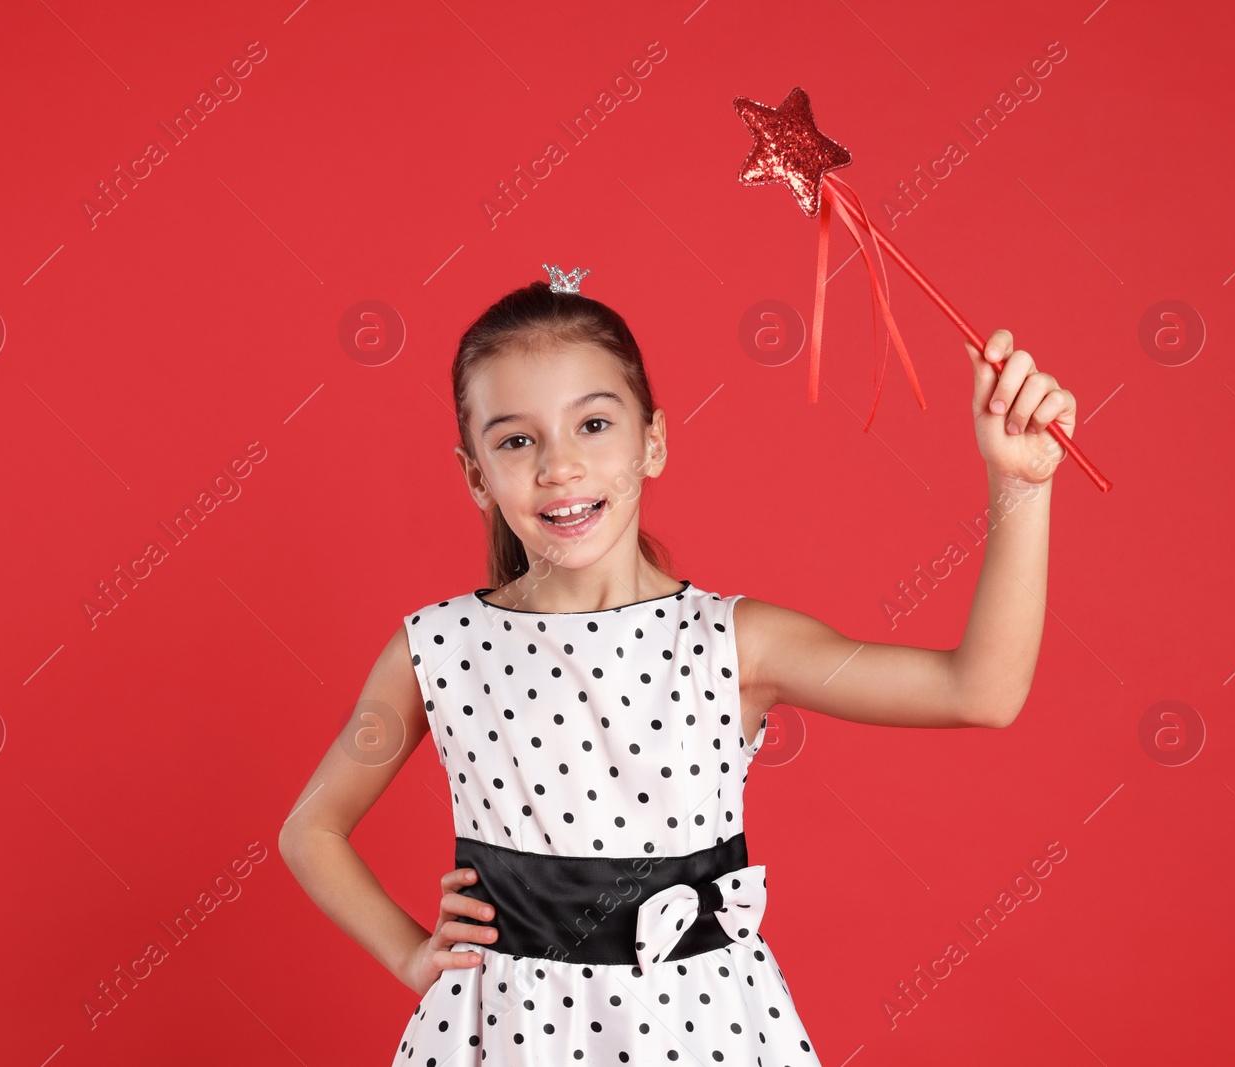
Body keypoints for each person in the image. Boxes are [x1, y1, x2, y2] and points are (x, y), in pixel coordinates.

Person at [278, 267, 1074, 1064]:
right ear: (475, 475)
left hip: (697, 1031)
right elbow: (311, 827)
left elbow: (981, 690)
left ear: (653, 441)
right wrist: (409, 955)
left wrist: (1020, 485)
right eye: (517, 440)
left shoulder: (738, 642)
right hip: (504, 1032)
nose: (560, 466)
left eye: (593, 424)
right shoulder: (439, 647)